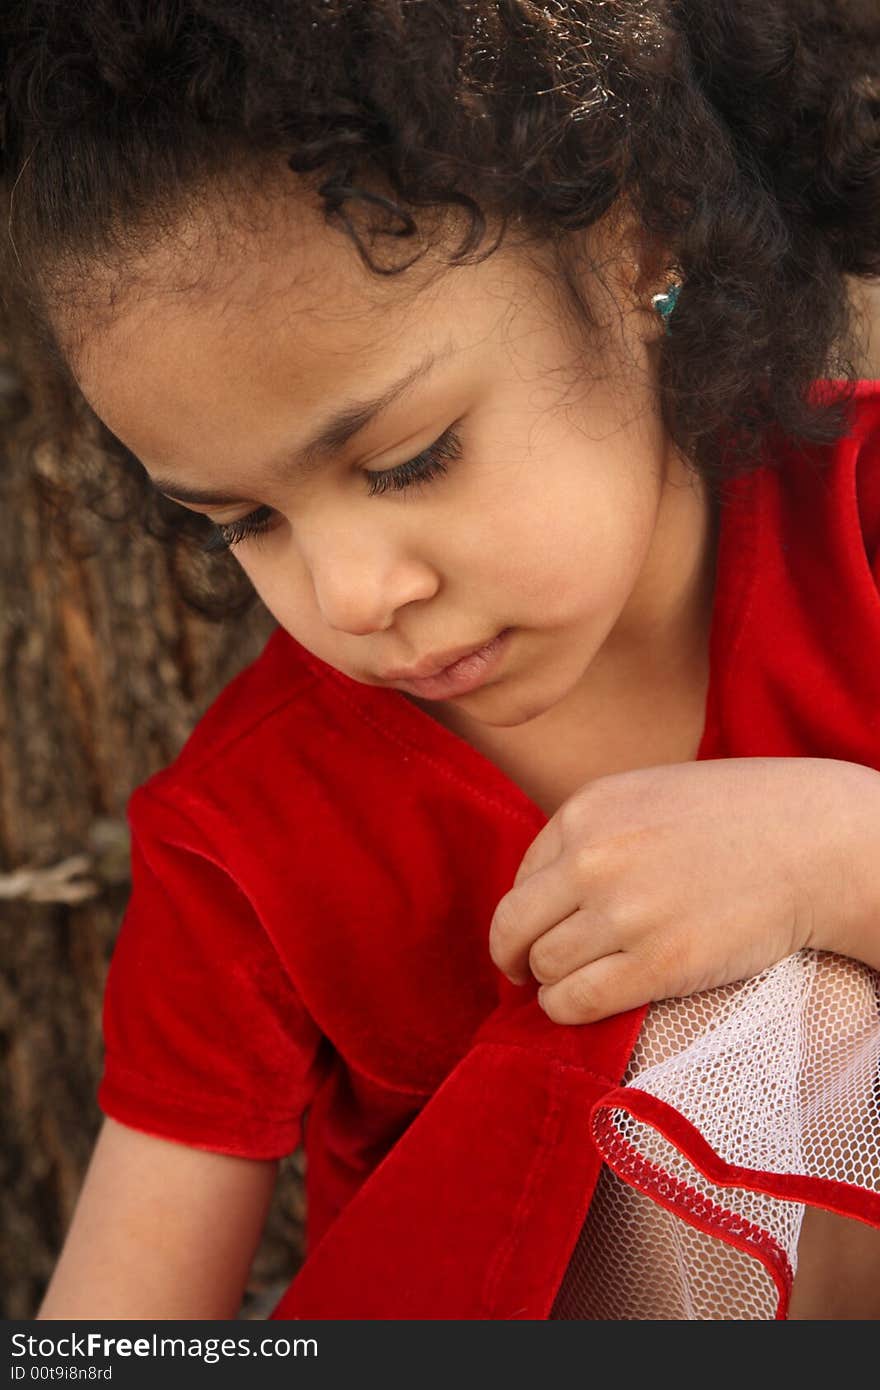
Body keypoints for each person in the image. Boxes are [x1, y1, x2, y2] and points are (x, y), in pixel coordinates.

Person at [3, 1, 880, 1320]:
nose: (354, 596)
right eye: (245, 522)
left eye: (411, 458)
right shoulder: (248, 835)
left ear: (642, 243)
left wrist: (842, 857)